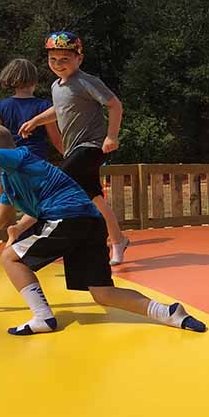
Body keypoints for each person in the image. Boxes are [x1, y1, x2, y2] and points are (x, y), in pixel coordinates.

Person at [0, 124, 206, 336]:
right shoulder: (10, 183)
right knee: (102, 293)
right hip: (89, 223)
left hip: (68, 218)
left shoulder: (20, 157)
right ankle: (169, 313)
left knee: (10, 257)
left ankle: (42, 317)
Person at [17, 32, 132, 265]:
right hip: (73, 150)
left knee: (55, 181)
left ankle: (21, 229)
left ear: (79, 59)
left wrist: (111, 136)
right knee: (96, 199)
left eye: (65, 59)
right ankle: (118, 240)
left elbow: (114, 104)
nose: (59, 65)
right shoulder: (56, 86)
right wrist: (36, 121)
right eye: (53, 60)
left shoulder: (86, 81)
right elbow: (59, 110)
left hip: (91, 147)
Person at [0, 59, 63, 161]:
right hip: (36, 159)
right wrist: (69, 156)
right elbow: (56, 140)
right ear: (35, 80)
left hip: (11, 159)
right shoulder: (44, 106)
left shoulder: (1, 106)